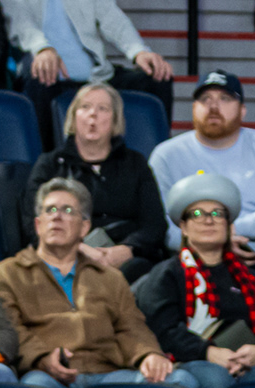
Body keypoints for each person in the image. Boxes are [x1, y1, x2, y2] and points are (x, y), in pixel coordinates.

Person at [0, 178, 192, 388]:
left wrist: (149, 355)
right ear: (38, 225)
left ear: (84, 227)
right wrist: (42, 358)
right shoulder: (8, 274)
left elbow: (131, 326)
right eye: (50, 210)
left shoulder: (109, 277)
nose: (57, 217)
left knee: (179, 381)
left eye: (67, 210)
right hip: (50, 377)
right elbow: (10, 329)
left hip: (110, 374)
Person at [136, 171, 255, 388]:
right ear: (183, 227)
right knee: (214, 378)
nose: (208, 220)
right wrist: (208, 352)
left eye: (218, 214)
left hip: (249, 362)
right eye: (197, 214)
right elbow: (163, 330)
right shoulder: (167, 274)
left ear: (229, 225)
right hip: (192, 361)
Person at [0, 0, 175, 148]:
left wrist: (139, 51)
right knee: (40, 74)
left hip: (96, 75)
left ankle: (159, 157)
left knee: (158, 76)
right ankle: (46, 160)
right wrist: (42, 49)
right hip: (48, 76)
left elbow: (113, 19)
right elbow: (20, 22)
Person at [148, 72, 255, 266]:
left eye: (225, 99)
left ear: (242, 110)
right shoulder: (166, 155)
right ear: (194, 108)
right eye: (205, 99)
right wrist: (213, 245)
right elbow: (159, 224)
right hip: (196, 264)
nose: (213, 107)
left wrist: (231, 230)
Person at [23, 82, 167, 283]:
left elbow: (155, 224)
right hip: (67, 256)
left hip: (127, 260)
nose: (93, 115)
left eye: (103, 109)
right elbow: (34, 221)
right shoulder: (51, 165)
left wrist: (127, 250)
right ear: (73, 117)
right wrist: (79, 250)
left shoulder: (135, 163)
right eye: (85, 107)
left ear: (115, 120)